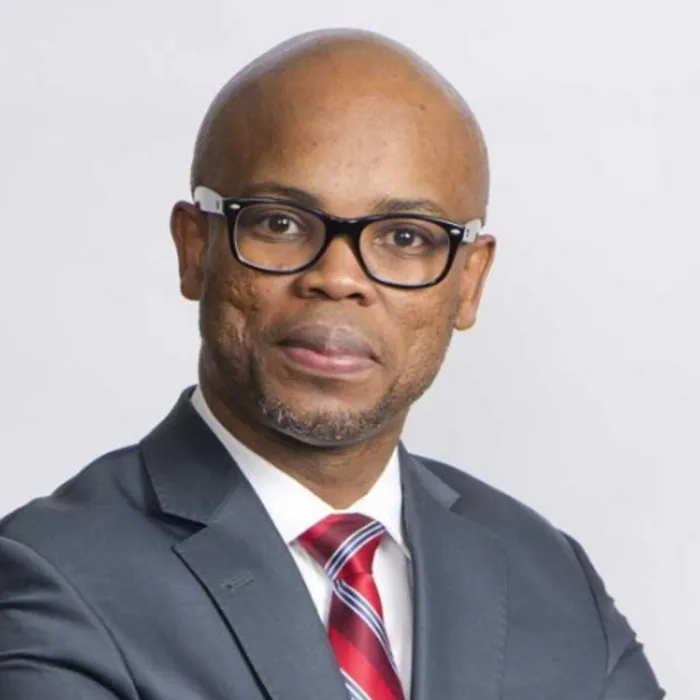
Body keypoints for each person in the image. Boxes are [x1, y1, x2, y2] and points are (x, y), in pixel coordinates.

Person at [0, 29, 664, 700]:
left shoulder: (551, 576)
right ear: (195, 248)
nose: (339, 277)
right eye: (281, 223)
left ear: (469, 283)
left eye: (406, 236)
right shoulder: (50, 576)